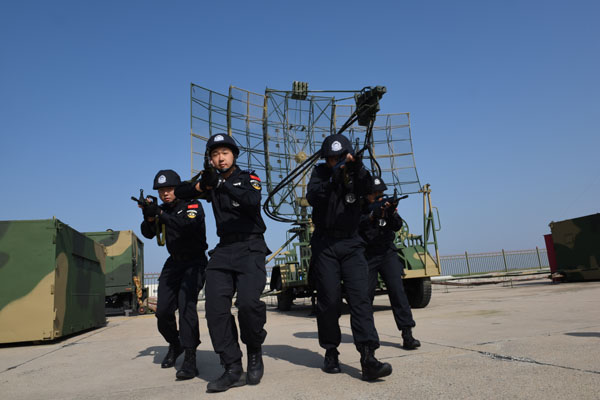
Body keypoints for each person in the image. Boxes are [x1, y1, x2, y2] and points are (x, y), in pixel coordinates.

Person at [175, 133, 269, 393]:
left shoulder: (249, 178)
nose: (220, 158)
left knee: (248, 305)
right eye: (215, 154)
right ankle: (232, 367)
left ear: (234, 155)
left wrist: (220, 184)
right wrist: (202, 185)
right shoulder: (211, 181)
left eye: (225, 153)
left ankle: (254, 350)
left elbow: (252, 201)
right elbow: (180, 192)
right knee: (215, 309)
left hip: (250, 246)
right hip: (224, 249)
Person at [306, 134, 392, 381]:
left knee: (361, 298)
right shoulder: (320, 173)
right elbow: (313, 197)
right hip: (326, 244)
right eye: (332, 159)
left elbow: (369, 190)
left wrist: (359, 169)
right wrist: (333, 177)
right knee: (329, 301)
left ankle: (368, 357)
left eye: (341, 158)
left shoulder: (358, 174)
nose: (337, 162)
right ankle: (331, 351)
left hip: (352, 243)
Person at [140, 169, 208, 380]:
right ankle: (175, 344)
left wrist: (160, 214)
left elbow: (186, 225)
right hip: (174, 262)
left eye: (169, 189)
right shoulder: (162, 210)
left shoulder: (193, 205)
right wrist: (149, 216)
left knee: (186, 307)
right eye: (161, 191)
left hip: (195, 261)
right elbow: (148, 234)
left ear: (178, 188)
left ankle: (190, 357)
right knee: (162, 312)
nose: (165, 194)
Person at [359, 176, 421, 350]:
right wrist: (372, 216)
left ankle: (407, 334)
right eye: (376, 193)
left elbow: (397, 226)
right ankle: (368, 338)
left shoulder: (385, 207)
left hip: (387, 252)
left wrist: (391, 212)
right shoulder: (360, 207)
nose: (379, 196)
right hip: (367, 255)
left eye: (381, 193)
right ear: (367, 194)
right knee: (365, 297)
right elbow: (357, 226)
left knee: (398, 292)